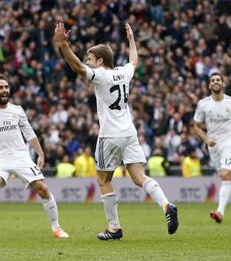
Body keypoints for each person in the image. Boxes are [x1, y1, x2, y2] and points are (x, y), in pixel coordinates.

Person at [54, 22, 179, 239]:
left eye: (90, 59)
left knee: (104, 180)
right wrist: (131, 40)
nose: (87, 62)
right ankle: (167, 205)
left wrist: (64, 45)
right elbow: (134, 61)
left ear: (100, 61)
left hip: (109, 135)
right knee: (139, 177)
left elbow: (76, 67)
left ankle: (114, 228)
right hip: (129, 132)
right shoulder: (123, 73)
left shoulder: (101, 76)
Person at [0, 74, 69, 240]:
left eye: (6, 87)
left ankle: (56, 228)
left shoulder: (17, 110)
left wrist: (40, 153)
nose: (5, 90)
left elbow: (30, 134)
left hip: (21, 157)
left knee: (43, 188)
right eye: (0, 87)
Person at [193, 71, 231, 223]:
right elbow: (196, 127)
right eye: (212, 80)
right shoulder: (203, 104)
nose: (215, 82)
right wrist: (206, 139)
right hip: (213, 144)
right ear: (209, 85)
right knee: (225, 176)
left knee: (225, 175)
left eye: (218, 79)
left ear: (223, 83)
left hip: (229, 141)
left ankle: (220, 212)